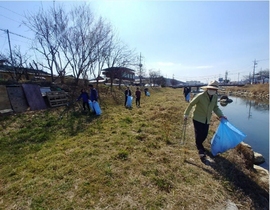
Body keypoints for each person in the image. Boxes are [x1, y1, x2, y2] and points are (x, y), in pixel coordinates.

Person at [183, 81, 227, 162]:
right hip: (197, 118)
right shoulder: (200, 96)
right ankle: (201, 150)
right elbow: (191, 104)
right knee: (199, 134)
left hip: (207, 119)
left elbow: (215, 107)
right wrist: (186, 114)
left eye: (214, 89)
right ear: (207, 88)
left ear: (216, 90)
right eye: (210, 89)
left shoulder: (215, 97)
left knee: (205, 134)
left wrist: (221, 115)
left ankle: (199, 145)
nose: (212, 90)